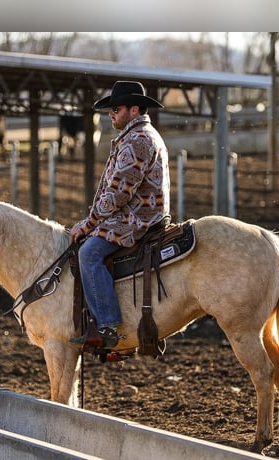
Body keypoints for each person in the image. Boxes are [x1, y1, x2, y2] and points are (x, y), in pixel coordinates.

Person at [69, 80, 171, 349]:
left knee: (88, 254)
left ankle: (107, 325)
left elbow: (117, 195)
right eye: (110, 110)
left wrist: (89, 223)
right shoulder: (139, 136)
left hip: (135, 219)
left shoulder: (137, 142)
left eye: (116, 109)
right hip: (138, 213)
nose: (111, 114)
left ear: (134, 110)